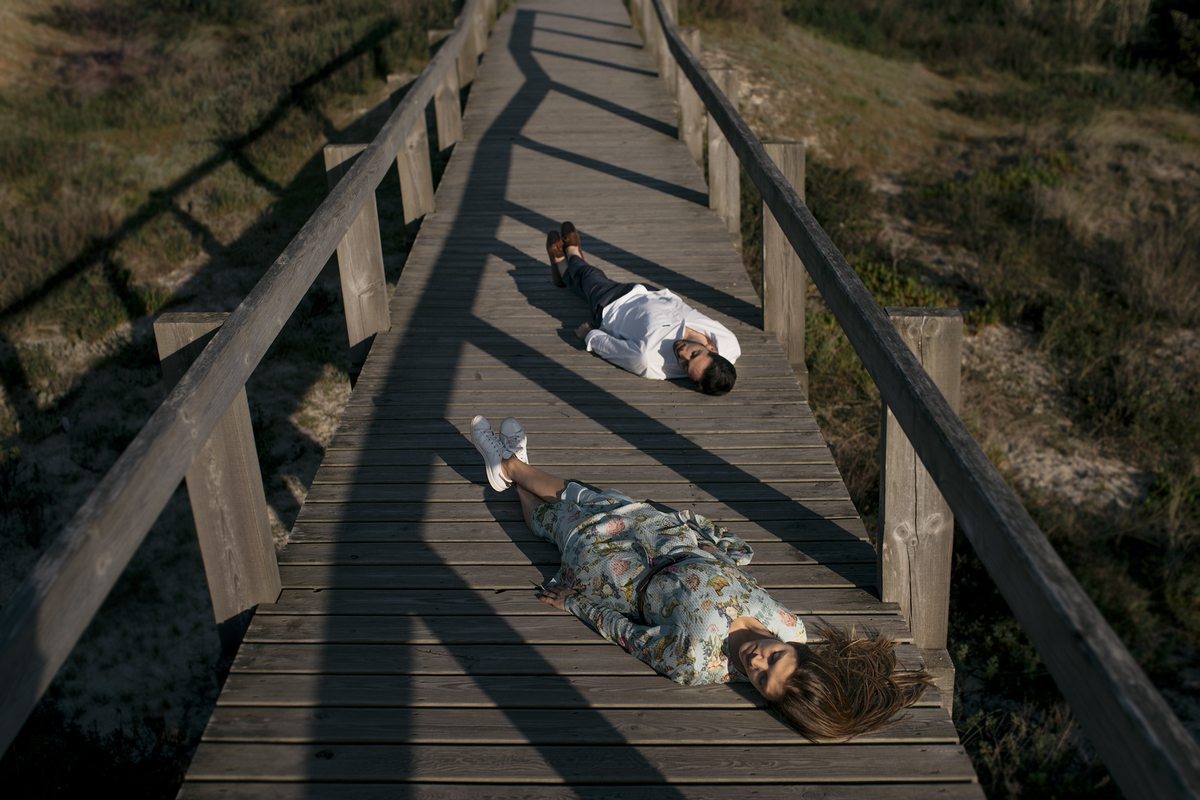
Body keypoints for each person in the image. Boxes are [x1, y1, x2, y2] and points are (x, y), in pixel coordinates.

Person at [469, 414, 934, 740]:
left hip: (620, 571)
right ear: (793, 648)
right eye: (773, 659)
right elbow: (739, 580)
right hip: (667, 537)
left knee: (558, 523)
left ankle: (508, 469)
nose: (756, 662)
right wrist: (714, 538)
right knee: (590, 496)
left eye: (759, 679)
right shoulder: (793, 625)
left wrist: (573, 603)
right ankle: (513, 465)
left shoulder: (696, 664)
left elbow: (628, 634)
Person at [547, 221, 740, 396]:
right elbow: (727, 361)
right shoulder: (728, 342)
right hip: (651, 294)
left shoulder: (649, 359)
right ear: (713, 349)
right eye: (694, 354)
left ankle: (569, 253)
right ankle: (562, 272)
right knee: (583, 285)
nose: (682, 354)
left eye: (686, 366)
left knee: (588, 274)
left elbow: (616, 351)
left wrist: (590, 336)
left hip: (613, 305)